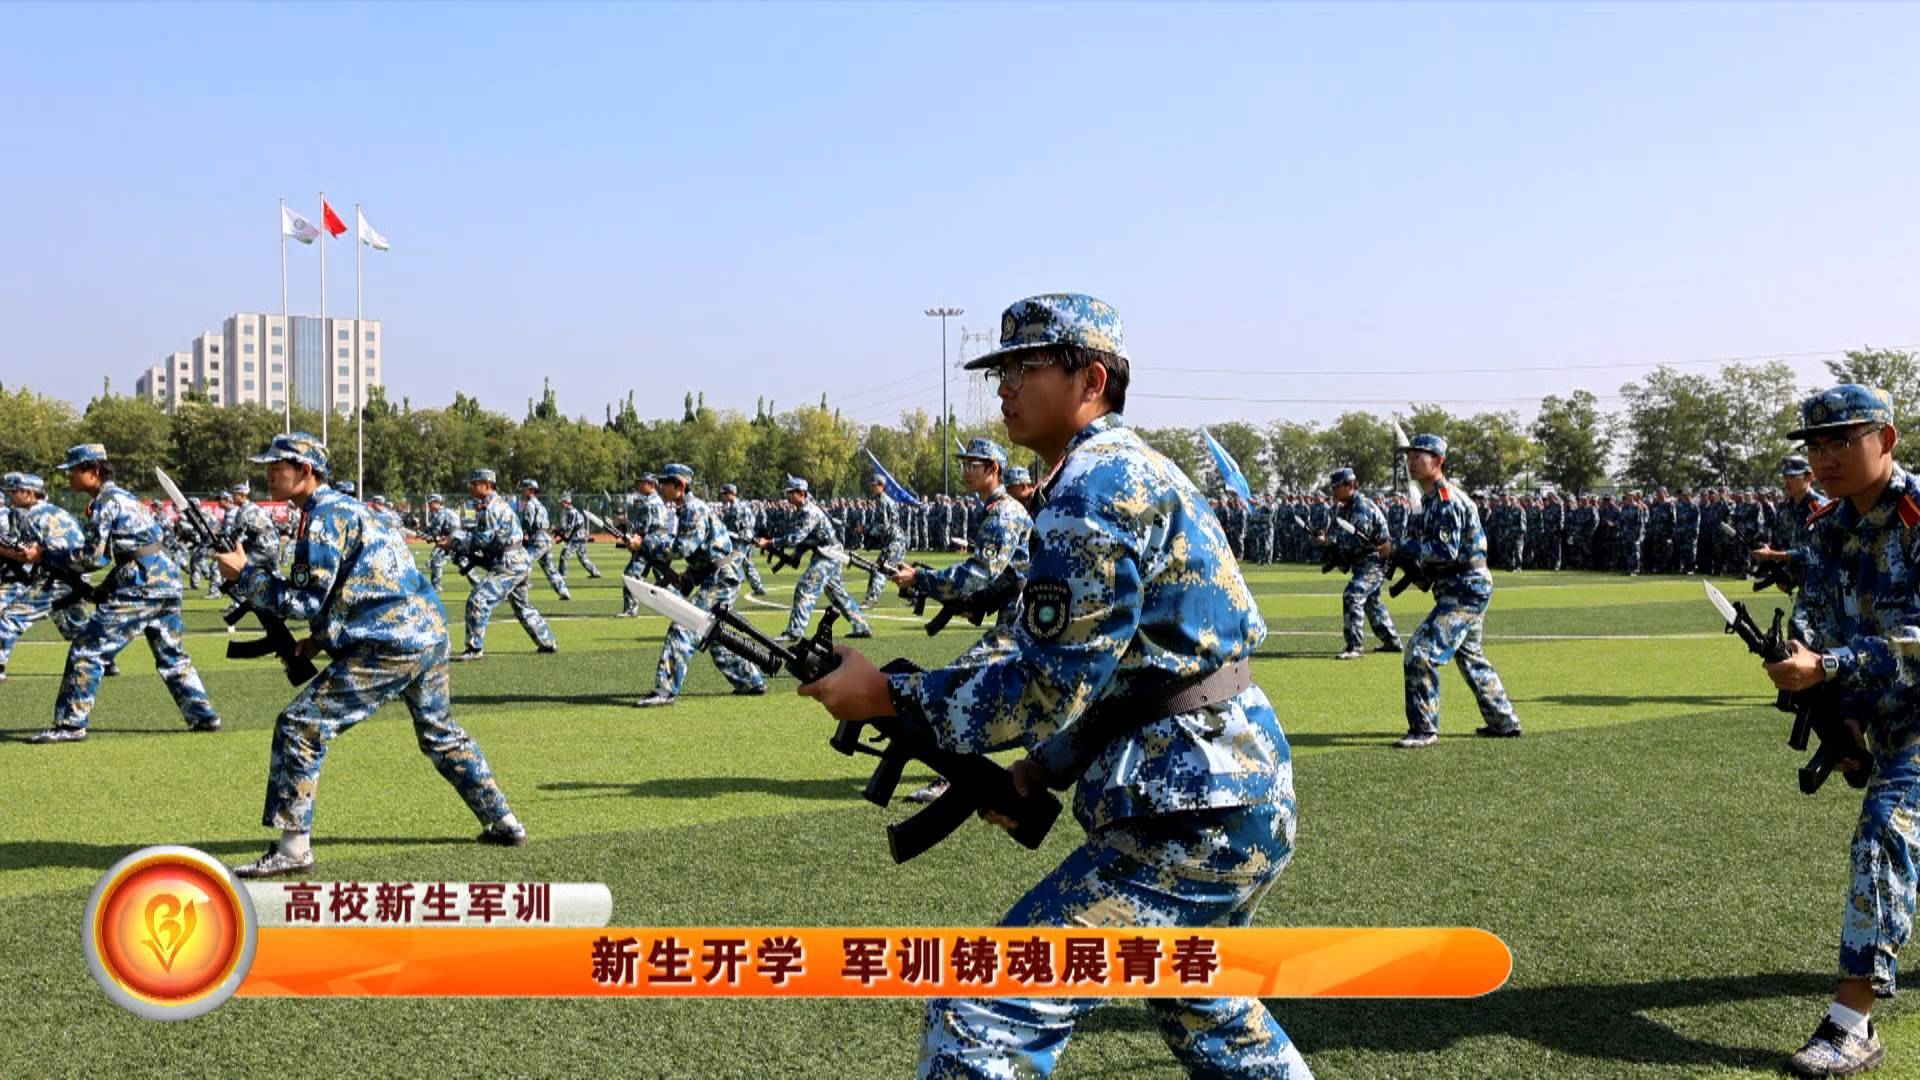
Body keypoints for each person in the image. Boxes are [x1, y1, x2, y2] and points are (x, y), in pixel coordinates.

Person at [799, 293, 1310, 1079]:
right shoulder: (1129, 470)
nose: (1002, 385)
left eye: (1024, 366)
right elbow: (1134, 672)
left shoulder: (1094, 490)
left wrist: (889, 700)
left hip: (1189, 816)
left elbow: (1045, 685)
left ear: (1091, 378)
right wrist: (1039, 771)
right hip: (1226, 790)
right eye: (999, 369)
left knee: (985, 1008)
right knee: (1204, 1005)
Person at [217, 433, 526, 878]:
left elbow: (303, 601)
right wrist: (319, 641)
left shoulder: (322, 519)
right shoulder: (355, 509)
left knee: (301, 725)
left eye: (277, 466)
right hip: (426, 632)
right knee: (440, 734)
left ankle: (293, 848)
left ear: (306, 471)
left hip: (390, 642)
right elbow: (360, 583)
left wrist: (245, 575)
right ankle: (503, 820)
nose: (268, 474)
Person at [1753, 386, 1920, 1077]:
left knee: (1883, 831)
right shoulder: (1823, 530)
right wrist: (1817, 684)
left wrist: (1832, 665)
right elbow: (1816, 618)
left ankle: (1852, 1024)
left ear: (1886, 438)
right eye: (1815, 446)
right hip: (1880, 716)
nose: (1824, 458)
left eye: (1841, 442)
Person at [14, 444, 222, 743]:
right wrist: (108, 586)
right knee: (172, 655)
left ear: (94, 470)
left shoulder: (106, 502)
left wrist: (45, 555)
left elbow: (92, 558)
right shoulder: (126, 497)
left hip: (141, 585)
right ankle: (203, 715)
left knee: (87, 648)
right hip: (165, 580)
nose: (69, 476)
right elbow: (136, 549)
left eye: (74, 470)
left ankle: (70, 724)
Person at [1378, 434, 1520, 748]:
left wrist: (1399, 549)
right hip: (1458, 586)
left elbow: (1444, 551)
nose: (1412, 460)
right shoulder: (1430, 500)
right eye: (1410, 455)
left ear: (1438, 461)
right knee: (1471, 657)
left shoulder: (1444, 499)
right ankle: (1504, 721)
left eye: (1420, 455)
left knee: (1420, 652)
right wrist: (1416, 571)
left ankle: (1424, 729)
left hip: (1465, 589)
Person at [632, 464, 767, 708]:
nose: (661, 487)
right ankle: (751, 681)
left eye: (665, 483)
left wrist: (646, 543)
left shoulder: (693, 510)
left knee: (685, 624)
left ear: (680, 486)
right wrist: (687, 579)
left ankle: (665, 690)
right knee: (713, 634)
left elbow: (683, 548)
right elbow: (701, 554)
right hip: (714, 575)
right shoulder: (687, 509)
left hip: (721, 578)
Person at [438, 468, 558, 660]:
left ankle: (474, 649)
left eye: (474, 483)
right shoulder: (490, 505)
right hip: (518, 560)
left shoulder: (494, 508)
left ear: (487, 485)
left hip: (510, 562)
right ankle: (548, 641)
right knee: (522, 606)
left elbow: (482, 541)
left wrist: (454, 543)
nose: (470, 487)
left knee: (479, 600)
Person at [757, 475, 873, 642]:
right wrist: (796, 556)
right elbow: (804, 541)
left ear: (801, 493)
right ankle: (861, 626)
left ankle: (795, 632)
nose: (787, 497)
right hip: (823, 552)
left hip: (829, 554)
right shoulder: (800, 511)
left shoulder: (809, 512)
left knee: (805, 587)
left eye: (790, 493)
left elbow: (795, 538)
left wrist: (769, 542)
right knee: (836, 594)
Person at [0, 473, 91, 683]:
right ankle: (104, 662)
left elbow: (29, 556)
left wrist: (4, 550)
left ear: (29, 493)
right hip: (77, 579)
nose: (11, 497)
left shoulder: (31, 516)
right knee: (74, 628)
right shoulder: (59, 512)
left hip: (57, 579)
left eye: (14, 493)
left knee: (11, 617)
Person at [1320, 467, 1401, 660]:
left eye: (1336, 486)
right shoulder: (1345, 508)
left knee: (1353, 594)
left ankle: (1354, 646)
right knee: (1372, 603)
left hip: (1374, 561)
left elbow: (1354, 541)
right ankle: (1391, 641)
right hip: (1363, 562)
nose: (1333, 490)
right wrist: (1327, 540)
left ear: (1350, 486)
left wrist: (1329, 542)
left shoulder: (1361, 507)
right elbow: (1340, 536)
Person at [1753, 455, 1829, 588]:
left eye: (1793, 477)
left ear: (1809, 477)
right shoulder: (1787, 509)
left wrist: (1774, 555)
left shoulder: (1819, 509)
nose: (1787, 482)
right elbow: (1786, 544)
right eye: (1785, 477)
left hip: (1825, 585)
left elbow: (1815, 552)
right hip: (1803, 586)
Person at [617, 474, 671, 617]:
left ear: (652, 485)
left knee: (632, 575)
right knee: (663, 578)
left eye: (643, 482)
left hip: (649, 545)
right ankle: (678, 607)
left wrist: (630, 530)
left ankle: (631, 610)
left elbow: (646, 527)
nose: (640, 485)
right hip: (658, 544)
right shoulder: (657, 501)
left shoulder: (650, 504)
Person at [516, 478, 571, 601]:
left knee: (523, 561)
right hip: (546, 538)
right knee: (550, 568)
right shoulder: (541, 505)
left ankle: (516, 590)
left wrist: (524, 536)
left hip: (537, 539)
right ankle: (563, 591)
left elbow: (527, 523)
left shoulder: (530, 504)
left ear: (530, 490)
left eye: (524, 489)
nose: (522, 492)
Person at [860, 474, 908, 608]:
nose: (873, 488)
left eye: (875, 485)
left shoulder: (884, 502)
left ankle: (870, 600)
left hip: (895, 541)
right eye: (872, 485)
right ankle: (914, 594)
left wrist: (865, 529)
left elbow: (884, 527)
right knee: (894, 571)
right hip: (894, 541)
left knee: (880, 568)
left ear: (882, 486)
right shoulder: (881, 501)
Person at [717, 483, 767, 597]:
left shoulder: (735, 508)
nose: (722, 497)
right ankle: (758, 587)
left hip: (740, 541)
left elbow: (735, 526)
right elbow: (752, 522)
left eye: (724, 494)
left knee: (732, 564)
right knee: (748, 564)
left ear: (731, 494)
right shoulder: (744, 505)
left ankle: (733, 586)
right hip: (747, 539)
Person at [555, 494, 602, 581]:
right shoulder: (575, 511)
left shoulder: (571, 512)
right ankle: (596, 573)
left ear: (566, 502)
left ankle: (562, 575)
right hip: (581, 537)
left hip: (576, 539)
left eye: (562, 502)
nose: (561, 504)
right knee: (583, 558)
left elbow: (570, 527)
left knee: (564, 555)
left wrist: (560, 533)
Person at [420, 493, 459, 589]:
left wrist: (427, 536)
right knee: (463, 563)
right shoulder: (438, 513)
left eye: (431, 503)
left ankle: (436, 585)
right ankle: (435, 585)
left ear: (437, 503)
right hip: (449, 539)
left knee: (437, 561)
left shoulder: (441, 513)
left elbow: (436, 531)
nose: (429, 505)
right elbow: (433, 530)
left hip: (451, 540)